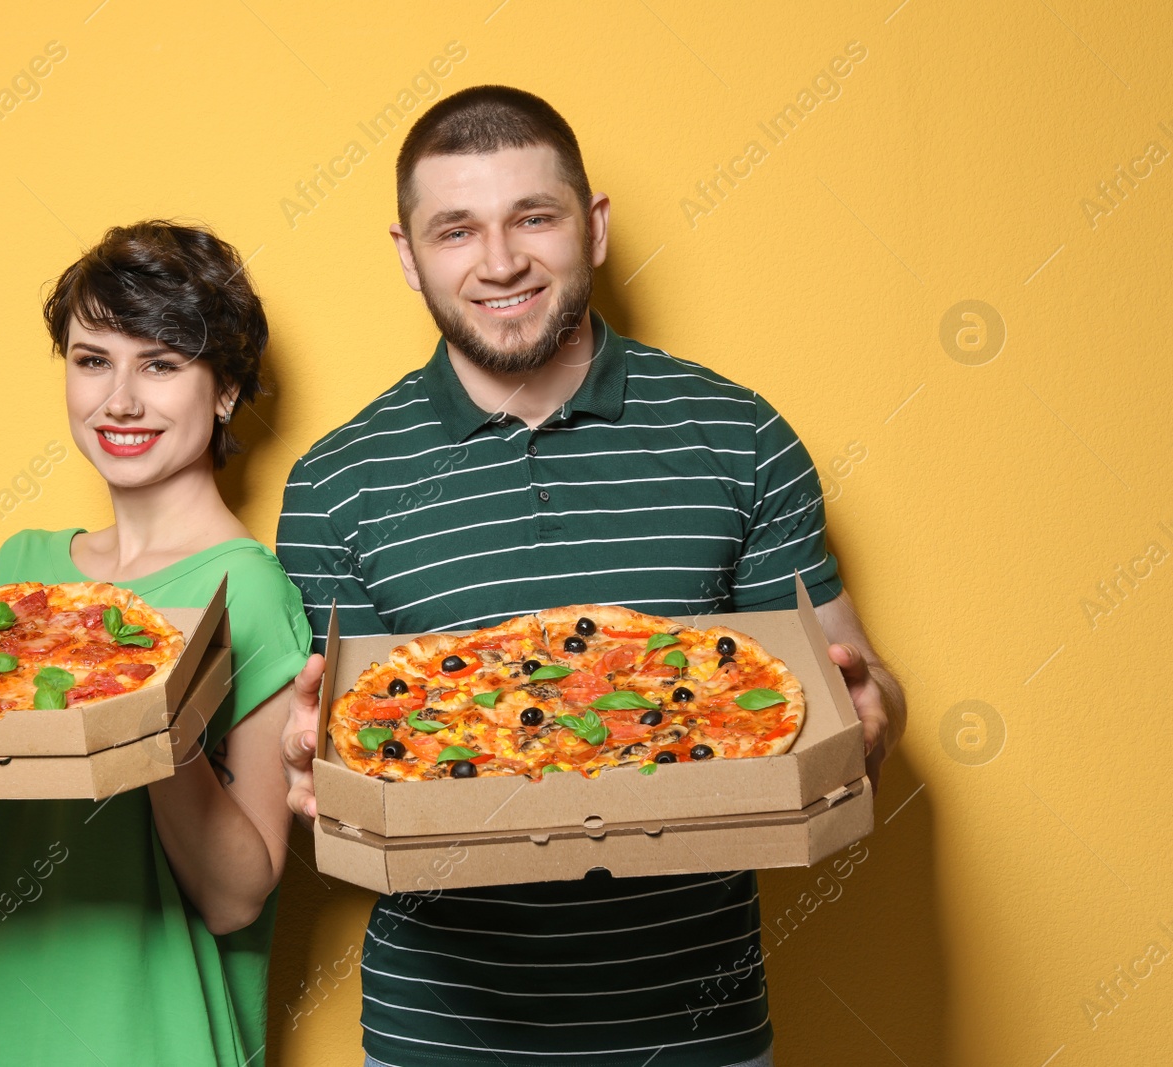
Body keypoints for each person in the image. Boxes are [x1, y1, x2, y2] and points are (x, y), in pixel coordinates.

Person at [275, 86, 906, 1067]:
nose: (499, 261)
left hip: (696, 1030)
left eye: (534, 216)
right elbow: (335, 759)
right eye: (456, 229)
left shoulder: (738, 434)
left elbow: (852, 694)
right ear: (406, 253)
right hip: (437, 1037)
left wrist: (871, 715)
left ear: (594, 225)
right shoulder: (334, 481)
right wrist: (300, 771)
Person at [0, 221, 312, 1067]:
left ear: (229, 387)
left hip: (155, 1032)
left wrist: (155, 715)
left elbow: (237, 897)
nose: (118, 400)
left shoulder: (248, 590)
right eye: (93, 359)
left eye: (161, 363)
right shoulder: (23, 571)